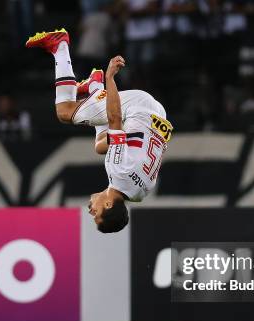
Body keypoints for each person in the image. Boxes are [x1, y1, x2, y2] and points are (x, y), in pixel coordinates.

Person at [26, 29, 172, 233]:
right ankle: (60, 46)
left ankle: (93, 88)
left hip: (157, 117)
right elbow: (114, 119)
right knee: (65, 111)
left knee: (101, 146)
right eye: (95, 214)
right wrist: (110, 78)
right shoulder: (118, 171)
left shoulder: (138, 195)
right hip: (137, 108)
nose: (90, 210)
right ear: (108, 205)